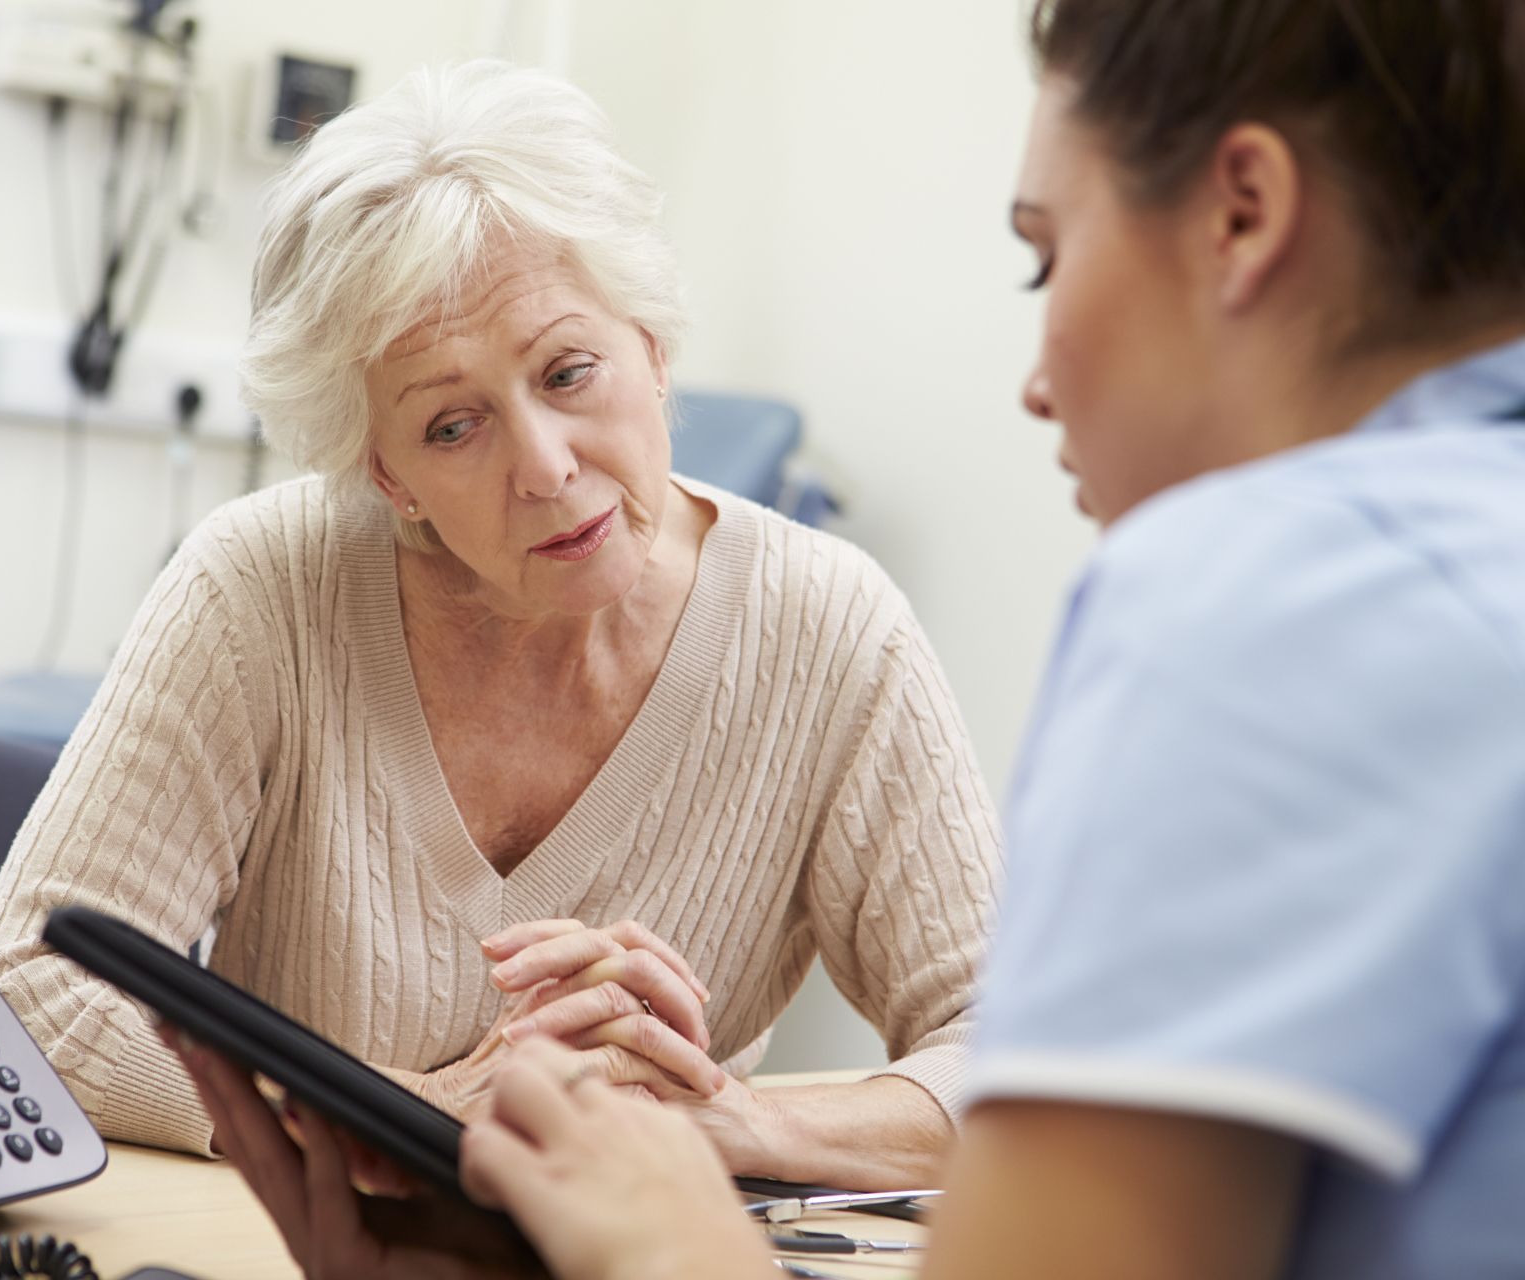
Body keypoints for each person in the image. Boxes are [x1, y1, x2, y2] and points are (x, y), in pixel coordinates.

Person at [173, 1, 1525, 1277]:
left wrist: (667, 1223)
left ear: (1243, 213)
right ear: (389, 472)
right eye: (452, 424)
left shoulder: (1260, 597)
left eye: (1043, 253)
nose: (1037, 378)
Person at [0, 58, 1003, 1191]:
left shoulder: (833, 630)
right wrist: (398, 1121)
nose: (547, 466)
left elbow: (1020, 1058)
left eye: (570, 371)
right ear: (388, 473)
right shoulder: (260, 588)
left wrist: (735, 1125)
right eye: (454, 426)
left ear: (652, 352)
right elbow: (27, 985)